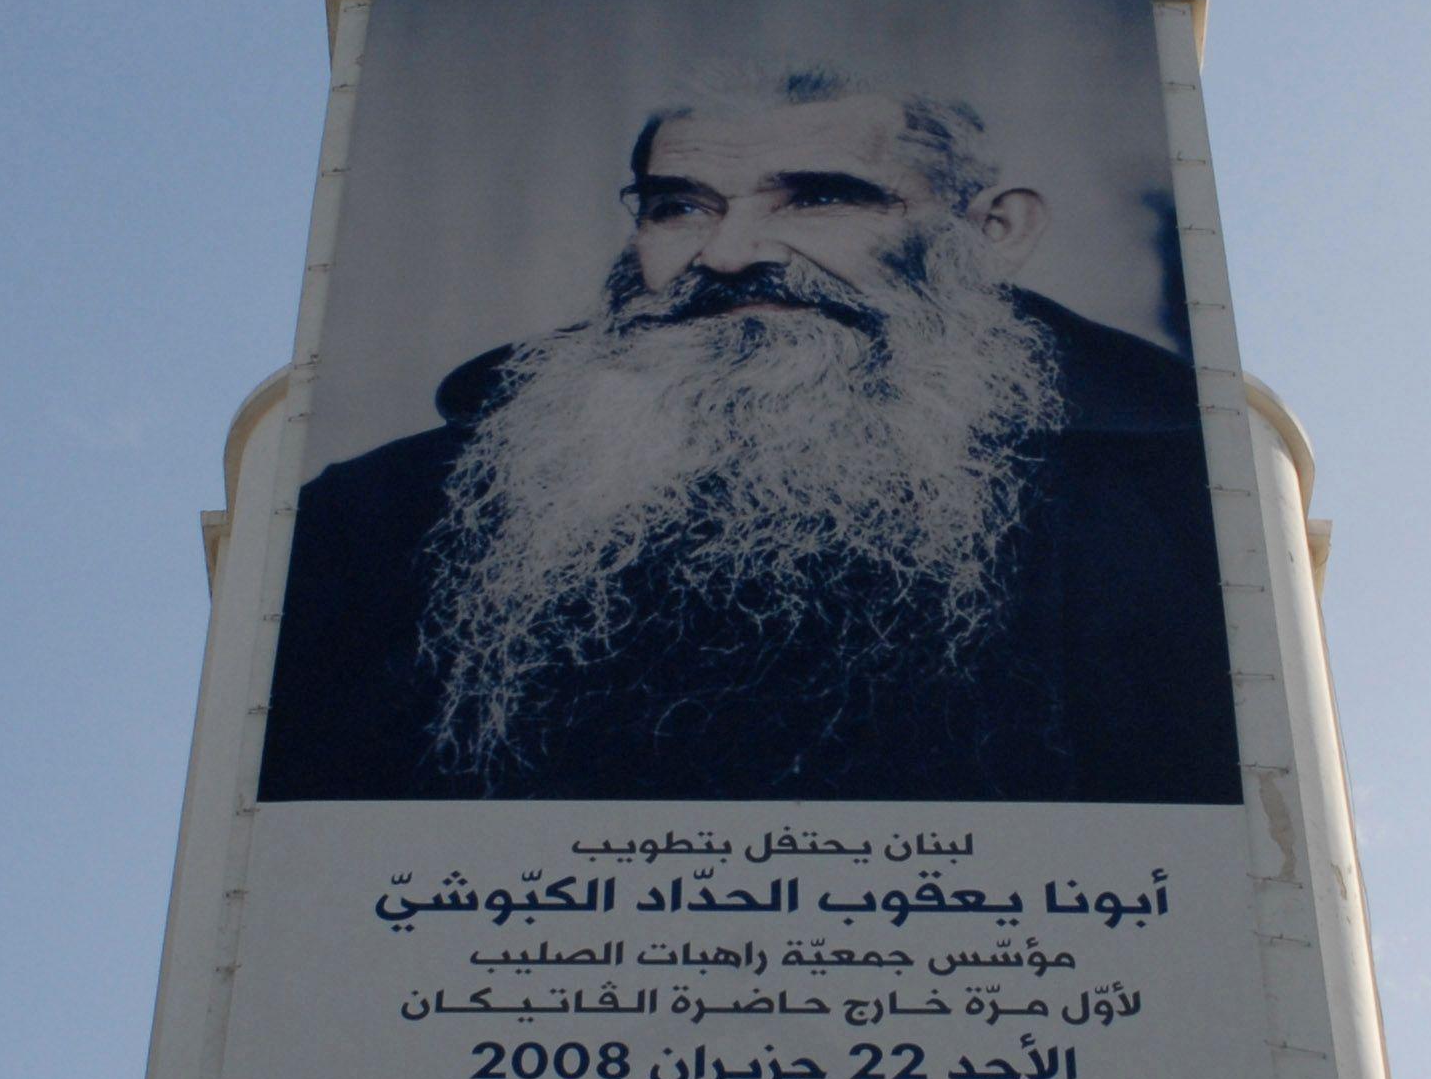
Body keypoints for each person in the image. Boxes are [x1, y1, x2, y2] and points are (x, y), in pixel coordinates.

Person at [257, 71, 1239, 804]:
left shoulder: (1180, 511)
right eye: (679, 207)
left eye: (818, 197)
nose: (726, 255)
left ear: (992, 232)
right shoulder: (378, 520)